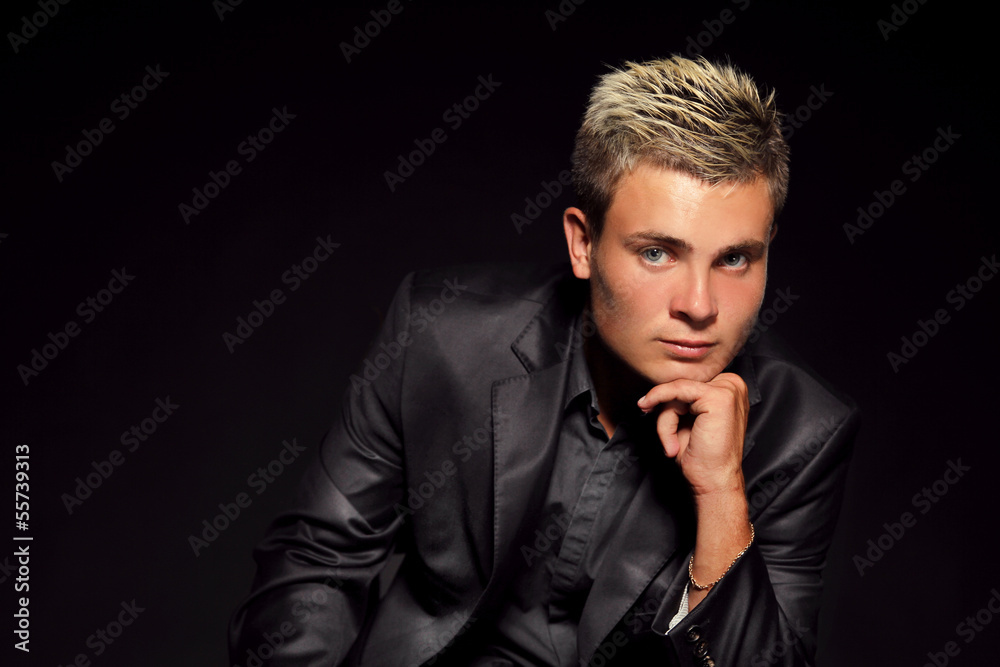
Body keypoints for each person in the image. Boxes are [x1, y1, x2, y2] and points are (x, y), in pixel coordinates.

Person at [229, 55, 860, 666]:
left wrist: (721, 493)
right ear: (583, 244)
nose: (699, 305)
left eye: (733, 259)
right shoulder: (440, 336)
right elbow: (316, 563)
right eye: (658, 253)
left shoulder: (802, 434)